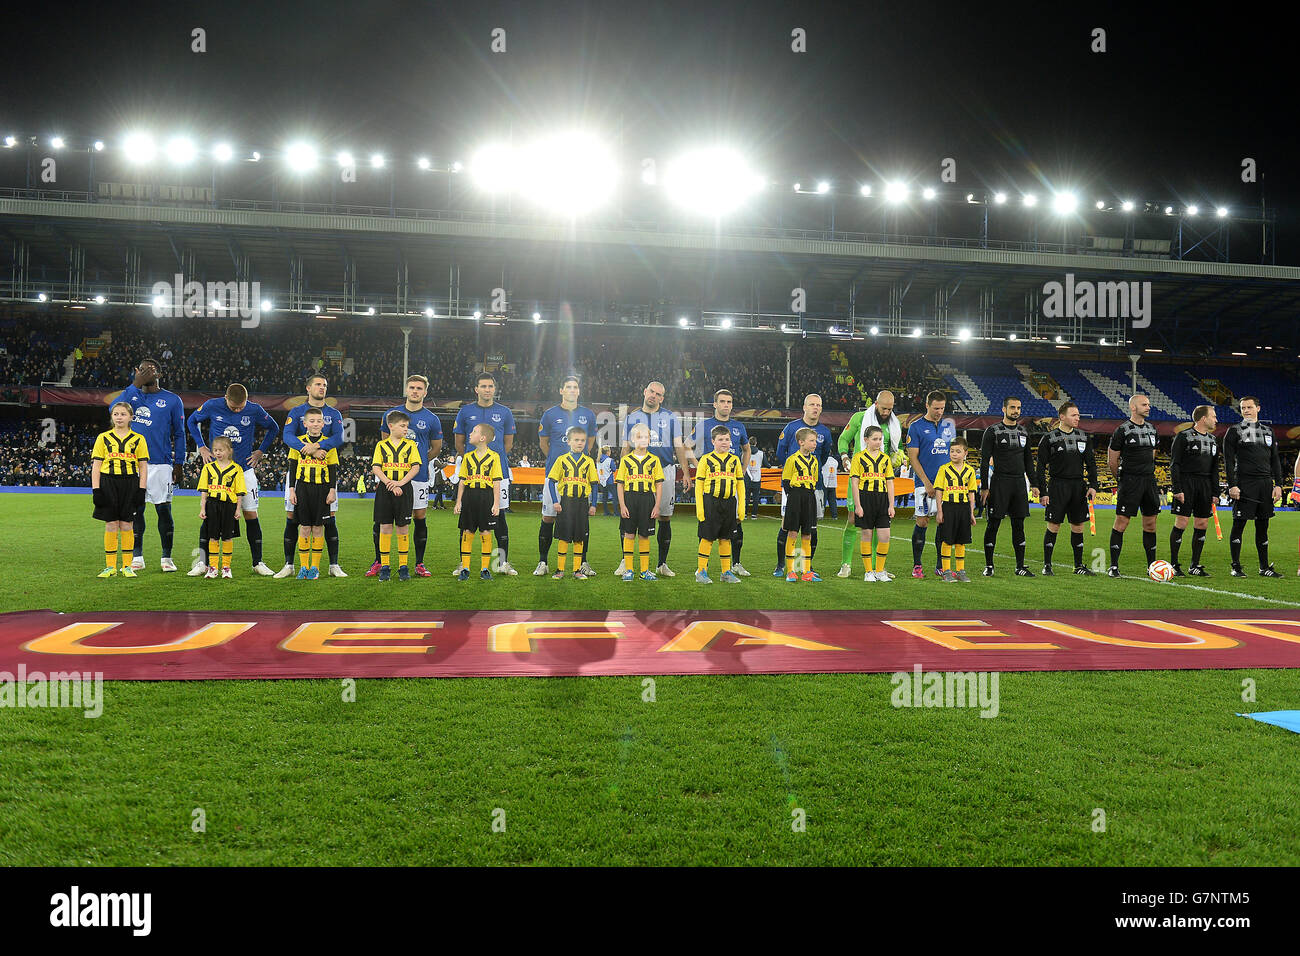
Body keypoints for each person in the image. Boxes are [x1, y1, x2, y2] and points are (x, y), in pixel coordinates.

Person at [186, 383, 280, 575]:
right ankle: (203, 563)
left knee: (251, 515)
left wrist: (261, 451)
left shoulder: (254, 409)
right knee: (210, 515)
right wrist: (202, 447)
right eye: (234, 407)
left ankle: (258, 563)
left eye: (241, 407)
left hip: (244, 471)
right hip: (218, 472)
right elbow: (191, 421)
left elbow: (274, 427)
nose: (238, 410)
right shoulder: (212, 405)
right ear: (226, 398)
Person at [275, 373, 347, 578]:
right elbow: (287, 436)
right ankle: (290, 565)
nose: (322, 387)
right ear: (308, 388)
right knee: (293, 519)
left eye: (324, 384)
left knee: (328, 520)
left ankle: (333, 565)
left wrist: (318, 446)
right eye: (317, 384)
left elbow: (339, 437)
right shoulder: (297, 411)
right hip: (300, 476)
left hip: (324, 477)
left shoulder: (334, 414)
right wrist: (307, 448)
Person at [370, 375, 443, 577]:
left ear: (425, 392)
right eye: (412, 387)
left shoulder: (432, 418)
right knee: (382, 520)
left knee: (419, 517)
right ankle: (379, 561)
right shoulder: (391, 414)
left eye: (419, 388)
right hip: (389, 475)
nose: (415, 391)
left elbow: (436, 448)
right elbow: (385, 442)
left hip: (417, 477)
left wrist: (417, 462)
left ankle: (419, 563)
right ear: (406, 389)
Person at [120, 358, 186, 573]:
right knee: (136, 512)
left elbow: (179, 433)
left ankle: (166, 557)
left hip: (161, 465)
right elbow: (114, 409)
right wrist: (136, 383)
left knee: (164, 511)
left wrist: (179, 463)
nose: (148, 372)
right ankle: (137, 556)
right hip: (131, 464)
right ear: (136, 372)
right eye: (143, 370)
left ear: (159, 374)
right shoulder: (131, 397)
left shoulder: (172, 400)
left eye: (152, 369)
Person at [622, 381, 693, 577]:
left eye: (658, 394)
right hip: (637, 473)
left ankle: (662, 564)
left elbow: (679, 447)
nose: (653, 395)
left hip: (665, 471)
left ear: (662, 398)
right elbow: (626, 448)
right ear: (645, 392)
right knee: (630, 515)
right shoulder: (632, 418)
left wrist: (685, 472)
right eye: (651, 391)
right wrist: (622, 472)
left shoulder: (671, 417)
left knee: (664, 516)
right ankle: (624, 561)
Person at [453, 373, 517, 574]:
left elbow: (508, 443)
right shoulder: (465, 412)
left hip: (498, 474)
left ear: (494, 389)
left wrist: (491, 462)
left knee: (500, 516)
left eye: (490, 386)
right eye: (483, 386)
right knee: (467, 518)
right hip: (472, 476)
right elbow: (458, 442)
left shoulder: (505, 412)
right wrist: (475, 464)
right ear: (476, 389)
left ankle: (501, 563)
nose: (487, 389)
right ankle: (463, 564)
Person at [536, 376, 598, 576]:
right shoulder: (549, 414)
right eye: (568, 387)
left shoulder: (588, 415)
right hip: (555, 476)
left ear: (579, 391)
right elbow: (543, 443)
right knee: (548, 517)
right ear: (561, 390)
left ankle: (583, 563)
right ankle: (543, 562)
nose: (572, 390)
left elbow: (589, 443)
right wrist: (560, 464)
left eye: (575, 387)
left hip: (580, 479)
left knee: (582, 520)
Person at [837, 391, 903, 576]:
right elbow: (843, 439)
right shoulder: (859, 418)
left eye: (890, 409)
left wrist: (898, 457)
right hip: (860, 480)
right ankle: (846, 564)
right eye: (884, 408)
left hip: (880, 483)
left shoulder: (894, 424)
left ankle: (877, 568)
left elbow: (897, 448)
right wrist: (844, 457)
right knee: (852, 520)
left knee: (878, 523)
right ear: (875, 404)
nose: (886, 412)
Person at [691, 389, 752, 574]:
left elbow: (747, 449)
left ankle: (736, 564)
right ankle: (703, 567)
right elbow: (687, 446)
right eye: (723, 401)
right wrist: (700, 464)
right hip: (712, 485)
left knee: (735, 524)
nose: (726, 405)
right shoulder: (705, 425)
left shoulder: (739, 426)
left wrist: (742, 469)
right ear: (715, 404)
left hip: (732, 482)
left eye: (729, 402)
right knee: (708, 527)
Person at [772, 394, 834, 577]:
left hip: (814, 486)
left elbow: (822, 457)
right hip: (793, 486)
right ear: (804, 407)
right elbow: (780, 452)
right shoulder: (792, 427)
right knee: (787, 525)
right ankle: (781, 565)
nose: (816, 408)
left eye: (819, 405)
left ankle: (807, 566)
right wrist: (795, 471)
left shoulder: (825, 432)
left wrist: (809, 471)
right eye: (812, 404)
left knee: (811, 527)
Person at [1036, 401, 1099, 575]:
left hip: (1078, 486)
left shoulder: (1084, 436)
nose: (1077, 418)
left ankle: (1078, 566)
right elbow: (1040, 466)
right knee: (1054, 525)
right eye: (1074, 415)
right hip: (1057, 485)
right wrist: (1043, 491)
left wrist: (1093, 485)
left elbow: (1091, 464)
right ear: (1062, 417)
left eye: (1078, 415)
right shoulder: (1049, 438)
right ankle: (1047, 565)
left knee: (1078, 526)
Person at [1224, 396, 1283, 577]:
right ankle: (1236, 566)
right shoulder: (1233, 431)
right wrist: (1232, 485)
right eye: (1243, 408)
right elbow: (1228, 461)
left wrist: (1278, 484)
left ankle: (1264, 567)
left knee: (1263, 526)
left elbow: (1275, 459)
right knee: (1239, 524)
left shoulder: (1268, 431)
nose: (1246, 411)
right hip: (1244, 483)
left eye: (1249, 407)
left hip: (1265, 484)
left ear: (1258, 408)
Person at [979, 397, 1038, 576]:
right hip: (1000, 482)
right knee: (993, 524)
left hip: (1019, 483)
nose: (1016, 411)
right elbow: (983, 461)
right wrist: (985, 486)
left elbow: (1028, 460)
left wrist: (1034, 484)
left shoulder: (1023, 431)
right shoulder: (993, 431)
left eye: (1019, 408)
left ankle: (1020, 566)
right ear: (1004, 409)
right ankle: (989, 566)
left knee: (1019, 525)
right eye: (1012, 407)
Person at [91, 401, 149, 578]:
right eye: (116, 414)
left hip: (130, 483)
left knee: (127, 524)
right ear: (112, 417)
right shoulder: (103, 438)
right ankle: (110, 567)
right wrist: (96, 490)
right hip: (108, 482)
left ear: (131, 417)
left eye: (123, 414)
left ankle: (127, 566)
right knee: (111, 524)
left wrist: (141, 489)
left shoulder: (138, 439)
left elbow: (143, 467)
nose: (119, 417)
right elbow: (96, 465)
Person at [1106, 394, 1160, 577]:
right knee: (1122, 522)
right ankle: (1113, 566)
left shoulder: (1153, 429)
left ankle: (1152, 566)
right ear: (1133, 407)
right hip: (1130, 480)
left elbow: (1152, 454)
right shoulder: (1122, 430)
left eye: (1149, 404)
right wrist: (1121, 479)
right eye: (1144, 404)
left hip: (1149, 480)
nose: (1148, 407)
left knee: (1151, 524)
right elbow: (1112, 459)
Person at [907, 390, 954, 579]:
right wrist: (927, 483)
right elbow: (913, 458)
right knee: (923, 521)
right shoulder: (916, 427)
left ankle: (940, 565)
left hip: (946, 484)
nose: (939, 412)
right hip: (924, 483)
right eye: (936, 408)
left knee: (942, 522)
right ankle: (917, 565)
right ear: (927, 405)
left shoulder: (948, 425)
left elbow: (953, 454)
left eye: (942, 408)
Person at [1168, 405, 1220, 577]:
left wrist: (1215, 493)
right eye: (1213, 416)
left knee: (1202, 524)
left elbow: (1214, 469)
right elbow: (1175, 464)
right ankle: (1174, 564)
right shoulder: (1183, 437)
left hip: (1205, 484)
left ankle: (1195, 565)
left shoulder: (1213, 440)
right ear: (1203, 419)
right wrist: (1177, 488)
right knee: (1182, 522)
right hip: (1186, 482)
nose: (1216, 420)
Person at [287, 407, 338, 580]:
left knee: (318, 528)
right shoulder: (298, 443)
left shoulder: (328, 444)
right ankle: (303, 567)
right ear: (305, 424)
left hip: (322, 490)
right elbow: (292, 468)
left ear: (323, 424)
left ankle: (314, 567)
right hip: (302, 488)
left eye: (318, 421)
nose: (315, 424)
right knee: (304, 527)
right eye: (312, 421)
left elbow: (333, 470)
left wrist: (332, 490)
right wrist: (292, 490)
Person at [371, 409, 422, 582]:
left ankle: (403, 566)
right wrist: (389, 483)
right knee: (385, 526)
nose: (406, 429)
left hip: (404, 489)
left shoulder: (410, 445)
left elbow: (415, 467)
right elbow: (376, 467)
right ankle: (385, 566)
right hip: (386, 489)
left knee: (403, 527)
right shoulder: (381, 445)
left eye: (407, 426)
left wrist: (400, 483)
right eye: (402, 426)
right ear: (391, 426)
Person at [694, 424, 746, 584]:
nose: (724, 442)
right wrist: (700, 509)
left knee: (726, 538)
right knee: (707, 537)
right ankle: (701, 572)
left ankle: (726, 572)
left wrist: (741, 508)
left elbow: (740, 485)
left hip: (729, 503)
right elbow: (699, 486)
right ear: (713, 441)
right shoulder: (706, 459)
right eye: (721, 439)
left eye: (727, 439)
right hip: (711, 502)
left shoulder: (735, 460)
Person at [547, 425, 599, 580]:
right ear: (568, 441)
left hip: (582, 504)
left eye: (583, 440)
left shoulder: (589, 461)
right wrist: (556, 502)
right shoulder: (561, 460)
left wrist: (594, 504)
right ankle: (560, 570)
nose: (580, 443)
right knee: (563, 537)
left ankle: (577, 570)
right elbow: (551, 482)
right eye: (576, 440)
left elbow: (595, 484)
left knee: (579, 537)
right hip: (566, 503)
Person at [454, 423, 504, 581]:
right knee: (467, 532)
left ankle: (484, 569)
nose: (470, 433)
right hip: (469, 496)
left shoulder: (494, 456)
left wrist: (496, 503)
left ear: (482, 438)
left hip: (486, 496)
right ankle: (466, 568)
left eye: (474, 431)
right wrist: (458, 502)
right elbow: (462, 481)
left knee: (485, 532)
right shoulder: (468, 456)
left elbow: (496, 482)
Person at [615, 422, 664, 581]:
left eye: (646, 437)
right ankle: (629, 570)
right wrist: (622, 505)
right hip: (630, 499)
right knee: (629, 534)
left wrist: (657, 505)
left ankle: (644, 571)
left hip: (647, 499)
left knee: (644, 535)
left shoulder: (654, 460)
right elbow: (620, 484)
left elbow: (658, 484)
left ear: (649, 440)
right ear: (632, 440)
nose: (642, 440)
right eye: (639, 437)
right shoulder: (626, 460)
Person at [850, 424, 896, 582]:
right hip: (865, 498)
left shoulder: (885, 459)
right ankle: (868, 571)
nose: (878, 442)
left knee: (885, 536)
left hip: (882, 499)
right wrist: (858, 505)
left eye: (880, 439)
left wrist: (891, 504)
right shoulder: (858, 457)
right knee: (867, 534)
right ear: (866, 440)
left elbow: (890, 482)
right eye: (875, 439)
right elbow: (854, 483)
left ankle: (880, 571)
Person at [196, 435, 246, 578]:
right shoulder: (208, 468)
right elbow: (204, 490)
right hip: (212, 505)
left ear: (229, 451)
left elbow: (239, 492)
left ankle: (226, 567)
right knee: (213, 537)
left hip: (229, 506)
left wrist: (238, 509)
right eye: (215, 450)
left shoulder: (237, 469)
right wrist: (202, 508)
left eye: (221, 450)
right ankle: (212, 567)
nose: (218, 453)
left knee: (227, 537)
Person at [933, 437, 979, 582]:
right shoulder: (944, 469)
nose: (954, 454)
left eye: (958, 451)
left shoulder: (970, 471)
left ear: (965, 453)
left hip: (964, 508)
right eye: (952, 451)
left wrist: (971, 513)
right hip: (949, 507)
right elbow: (939, 491)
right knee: (947, 540)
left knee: (961, 541)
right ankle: (946, 571)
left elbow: (971, 493)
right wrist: (939, 511)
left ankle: (960, 571)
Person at [780, 427, 822, 582]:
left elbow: (815, 480)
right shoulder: (792, 460)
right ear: (801, 442)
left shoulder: (815, 460)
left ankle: (806, 572)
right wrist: (794, 498)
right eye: (811, 441)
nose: (814, 444)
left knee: (807, 534)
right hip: (795, 497)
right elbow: (785, 482)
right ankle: (791, 571)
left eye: (815, 441)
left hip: (809, 497)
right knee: (792, 533)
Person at [744, 442, 762, 519]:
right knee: (755, 498)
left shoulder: (745, 453)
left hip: (747, 479)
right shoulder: (761, 453)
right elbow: (767, 464)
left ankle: (744, 514)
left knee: (746, 497)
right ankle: (754, 515)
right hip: (757, 479)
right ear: (756, 443)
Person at [597, 446, 616, 516]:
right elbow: (614, 469)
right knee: (615, 496)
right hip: (609, 480)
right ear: (608, 452)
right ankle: (616, 512)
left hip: (602, 480)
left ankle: (606, 512)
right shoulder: (610, 460)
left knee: (604, 497)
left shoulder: (598, 460)